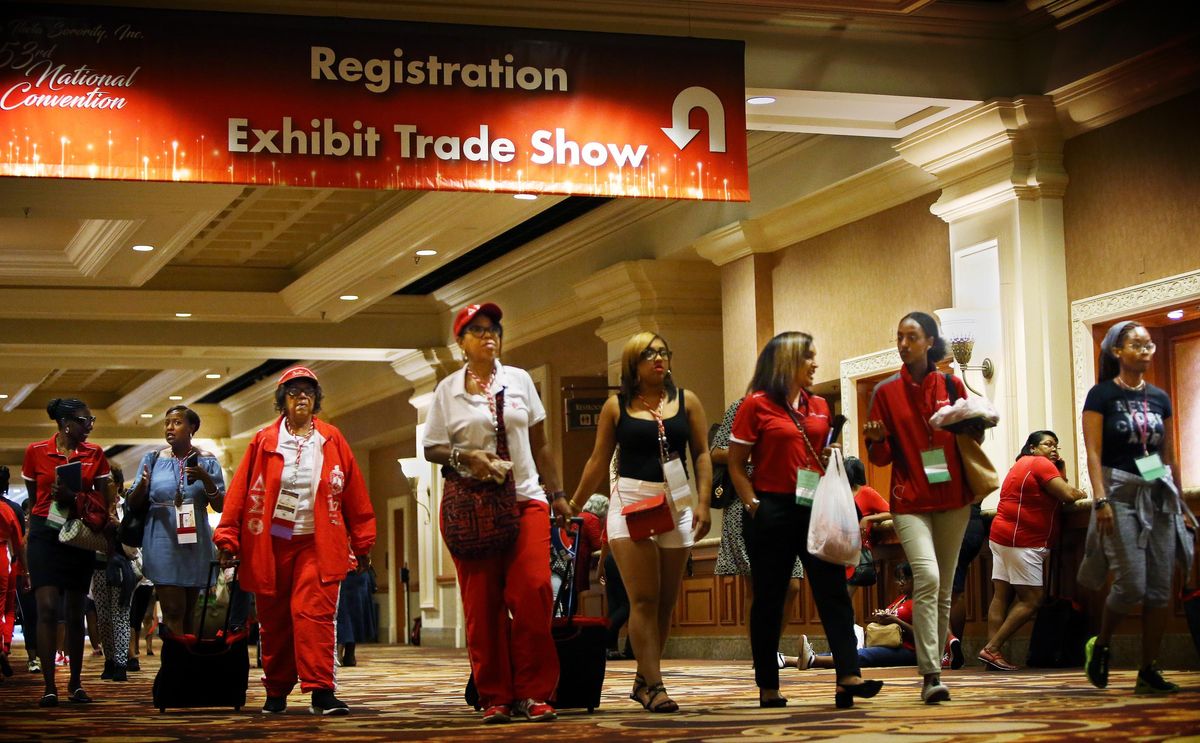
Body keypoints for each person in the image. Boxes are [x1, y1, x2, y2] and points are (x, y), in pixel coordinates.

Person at [424, 303, 570, 724]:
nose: (489, 336)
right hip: (473, 506)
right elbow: (432, 447)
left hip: (525, 499)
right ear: (461, 342)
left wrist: (557, 492)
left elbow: (542, 443)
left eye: (494, 329)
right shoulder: (447, 391)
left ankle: (535, 692)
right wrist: (466, 456)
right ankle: (495, 696)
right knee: (482, 604)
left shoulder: (520, 380)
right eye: (478, 330)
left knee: (534, 590)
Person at [728, 331, 882, 709]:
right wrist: (753, 504)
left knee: (833, 593)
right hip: (772, 508)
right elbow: (734, 464)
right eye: (808, 358)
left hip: (815, 506)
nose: (815, 364)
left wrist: (830, 452)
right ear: (786, 362)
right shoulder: (757, 405)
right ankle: (768, 684)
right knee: (770, 598)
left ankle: (848, 675)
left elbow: (818, 453)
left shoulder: (818, 405)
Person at [215, 366, 377, 716]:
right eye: (293, 391)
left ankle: (321, 690)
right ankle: (276, 690)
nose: (301, 396)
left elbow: (355, 495)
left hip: (317, 543)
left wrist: (362, 542)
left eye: (308, 391)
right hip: (270, 543)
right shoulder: (263, 441)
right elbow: (241, 492)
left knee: (313, 614)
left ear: (316, 399)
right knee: (275, 621)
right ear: (282, 401)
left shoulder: (332, 439)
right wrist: (228, 536)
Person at [569, 331, 712, 714]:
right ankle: (656, 685)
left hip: (676, 501)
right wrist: (574, 503)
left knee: (665, 604)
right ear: (633, 364)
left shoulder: (688, 402)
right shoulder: (616, 407)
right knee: (643, 599)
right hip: (632, 500)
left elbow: (701, 454)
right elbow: (598, 461)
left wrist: (702, 502)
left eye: (663, 352)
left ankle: (643, 679)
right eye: (648, 354)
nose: (658, 359)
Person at [864, 312, 979, 704]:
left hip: (953, 498)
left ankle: (936, 669)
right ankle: (929, 672)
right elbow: (879, 459)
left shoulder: (950, 382)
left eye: (911, 337)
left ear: (930, 341)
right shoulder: (884, 392)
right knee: (927, 576)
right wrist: (876, 441)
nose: (902, 344)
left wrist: (975, 422)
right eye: (898, 337)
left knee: (944, 587)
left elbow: (972, 431)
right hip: (909, 499)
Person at [1078, 320, 1193, 694]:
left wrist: (1176, 501)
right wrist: (1101, 500)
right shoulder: (1101, 396)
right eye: (1136, 345)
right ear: (1117, 351)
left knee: (1161, 588)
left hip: (1157, 495)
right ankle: (1103, 644)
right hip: (1119, 494)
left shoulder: (1159, 398)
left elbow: (1166, 455)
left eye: (1149, 346)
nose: (1145, 350)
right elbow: (1093, 453)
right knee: (1131, 585)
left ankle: (1149, 669)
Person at [22, 397, 112, 706]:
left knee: (75, 611)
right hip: (45, 535)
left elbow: (103, 502)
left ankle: (75, 682)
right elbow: (36, 501)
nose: (89, 426)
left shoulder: (95, 454)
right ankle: (49, 686)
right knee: (47, 608)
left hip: (78, 535)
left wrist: (74, 496)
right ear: (65, 424)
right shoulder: (35, 452)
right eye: (84, 421)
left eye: (91, 422)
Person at [711, 398, 806, 668]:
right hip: (747, 502)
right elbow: (715, 451)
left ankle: (768, 647)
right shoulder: (743, 406)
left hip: (787, 502)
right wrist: (756, 451)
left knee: (792, 584)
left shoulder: (799, 408)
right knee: (757, 585)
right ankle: (761, 656)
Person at [979, 430, 1084, 671]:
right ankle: (992, 649)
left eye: (1057, 445)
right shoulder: (1039, 463)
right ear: (1033, 448)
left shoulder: (1022, 464)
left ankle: (991, 657)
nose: (1054, 449)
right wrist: (1079, 491)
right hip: (1023, 539)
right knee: (1032, 599)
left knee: (1001, 596)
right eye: (1048, 444)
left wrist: (1061, 471)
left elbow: (1055, 491)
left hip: (1002, 536)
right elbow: (1067, 495)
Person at [127, 406, 226, 637]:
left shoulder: (208, 461)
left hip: (194, 540)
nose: (170, 428)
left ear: (192, 428)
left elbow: (221, 505)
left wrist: (205, 479)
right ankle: (176, 666)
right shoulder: (152, 459)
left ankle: (186, 666)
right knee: (173, 609)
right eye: (167, 423)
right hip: (162, 539)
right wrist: (142, 485)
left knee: (189, 611)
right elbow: (133, 503)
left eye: (177, 422)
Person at [797, 563, 919, 671]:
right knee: (839, 652)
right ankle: (786, 660)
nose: (901, 582)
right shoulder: (900, 600)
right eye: (899, 579)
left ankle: (812, 660)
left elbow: (922, 636)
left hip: (908, 650)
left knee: (862, 655)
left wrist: (895, 620)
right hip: (887, 644)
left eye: (905, 578)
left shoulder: (919, 603)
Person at [90, 466, 135, 682]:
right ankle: (109, 660)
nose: (105, 484)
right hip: (98, 566)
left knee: (120, 615)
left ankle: (120, 663)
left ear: (117, 483)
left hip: (121, 565)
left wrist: (119, 525)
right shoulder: (94, 506)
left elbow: (134, 535)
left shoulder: (125, 507)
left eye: (109, 480)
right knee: (103, 617)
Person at [844, 455, 890, 596]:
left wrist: (868, 518)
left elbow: (891, 512)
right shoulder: (838, 493)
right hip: (836, 549)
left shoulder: (867, 493)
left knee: (845, 597)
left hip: (856, 552)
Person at [0, 467, 29, 682]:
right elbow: (18, 544)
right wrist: (25, 571)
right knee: (7, 608)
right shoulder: (9, 510)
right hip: (3, 557)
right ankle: (4, 647)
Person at [336, 564, 376, 667]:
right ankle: (349, 654)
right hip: (359, 571)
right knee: (355, 614)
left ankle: (339, 652)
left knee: (343, 613)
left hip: (342, 571)